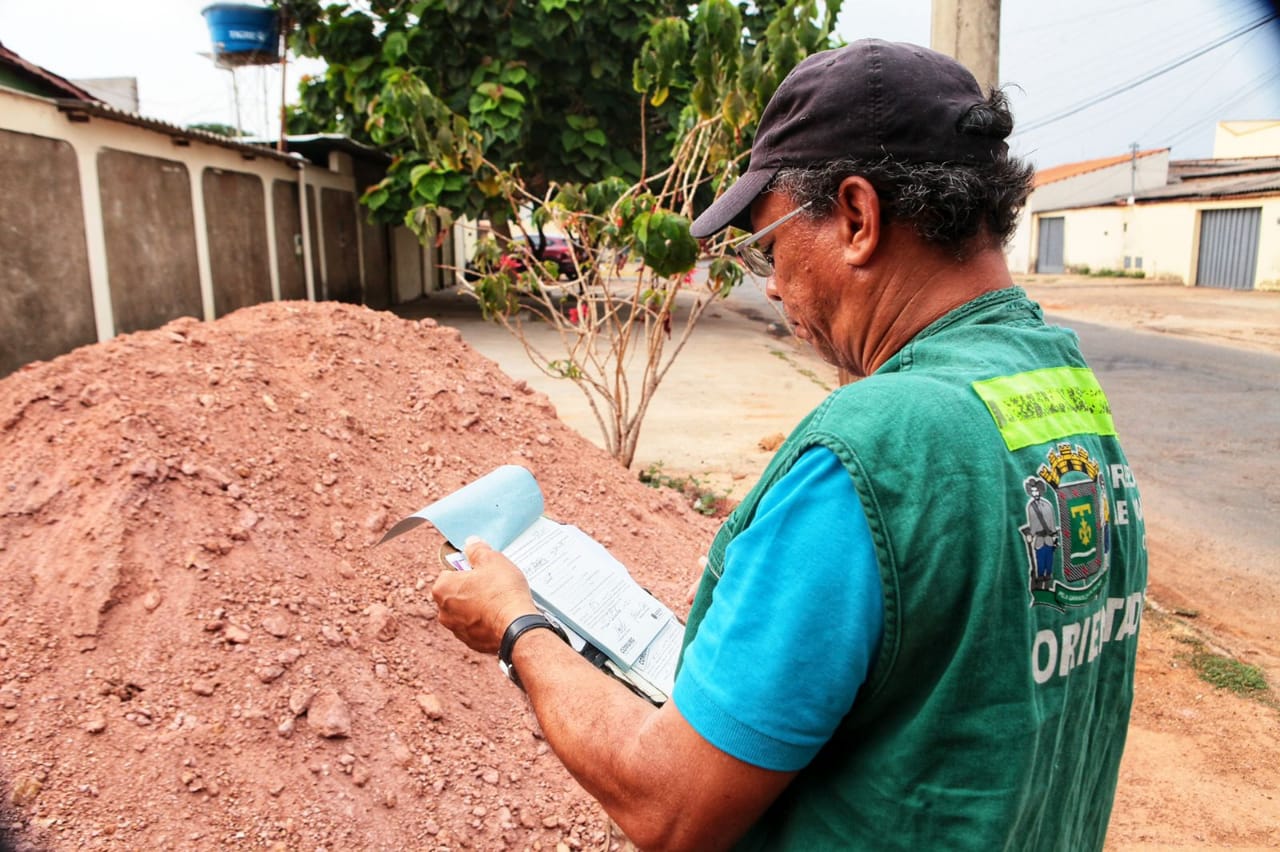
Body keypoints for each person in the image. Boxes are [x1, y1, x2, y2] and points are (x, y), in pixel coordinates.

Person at [432, 38, 1148, 851]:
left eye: (768, 246)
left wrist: (518, 627)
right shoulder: (1063, 389)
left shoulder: (869, 449)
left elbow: (670, 806)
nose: (769, 284)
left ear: (856, 217)